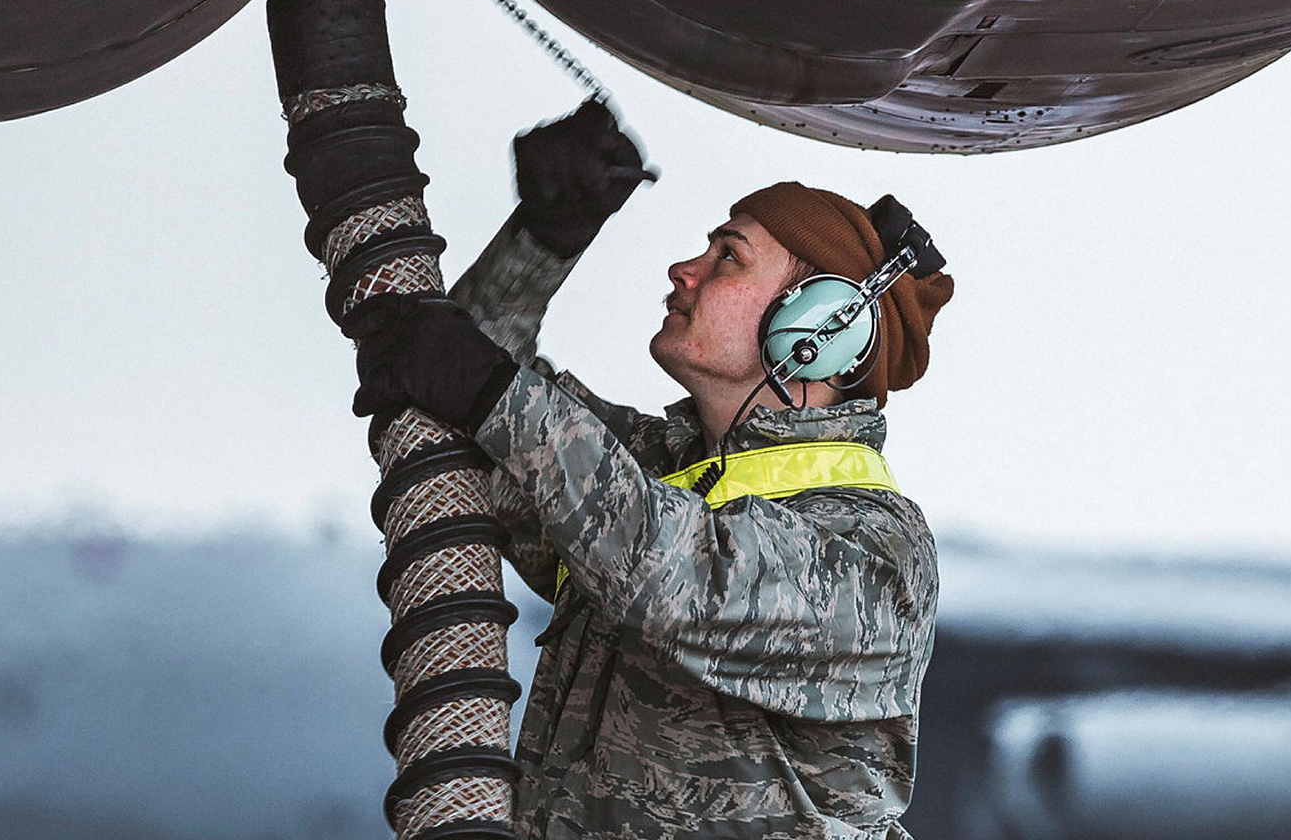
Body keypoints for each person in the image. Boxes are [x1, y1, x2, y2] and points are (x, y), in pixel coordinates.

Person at [345, 100, 953, 839]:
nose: (684, 270)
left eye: (727, 256)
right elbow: (457, 411)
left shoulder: (874, 550)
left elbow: (678, 576)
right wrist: (542, 242)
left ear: (819, 327)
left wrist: (490, 392)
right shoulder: (652, 474)